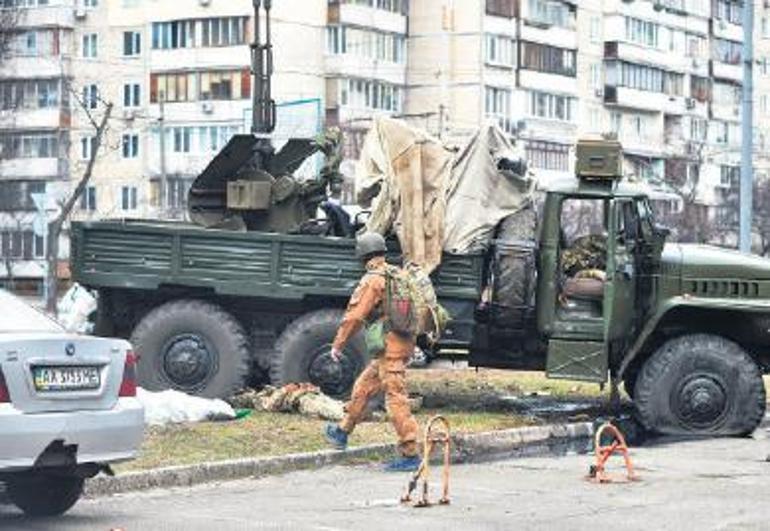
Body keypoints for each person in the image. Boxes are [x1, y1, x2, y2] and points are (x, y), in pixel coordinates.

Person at [323, 232, 421, 472]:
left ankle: (410, 454)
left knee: (395, 399)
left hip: (391, 349)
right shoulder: (397, 274)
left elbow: (355, 316)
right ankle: (342, 431)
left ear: (362, 255)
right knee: (363, 387)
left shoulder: (373, 280)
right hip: (397, 345)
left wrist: (338, 345)